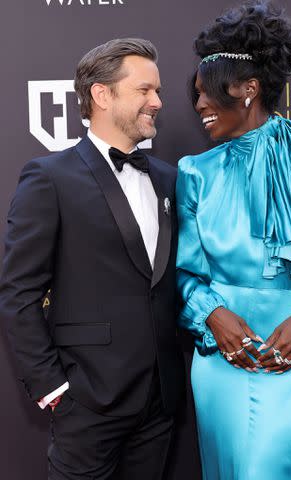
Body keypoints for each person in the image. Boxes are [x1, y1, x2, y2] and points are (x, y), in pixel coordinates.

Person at [176, 2, 291, 479]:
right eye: (195, 96)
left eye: (206, 93)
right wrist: (214, 315)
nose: (199, 106)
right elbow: (188, 273)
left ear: (248, 89)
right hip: (222, 356)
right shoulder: (195, 172)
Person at [0, 38, 184, 480]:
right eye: (144, 90)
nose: (158, 102)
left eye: (157, 90)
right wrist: (52, 388)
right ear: (102, 95)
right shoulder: (49, 177)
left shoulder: (168, 178)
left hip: (160, 401)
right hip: (87, 401)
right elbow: (19, 293)